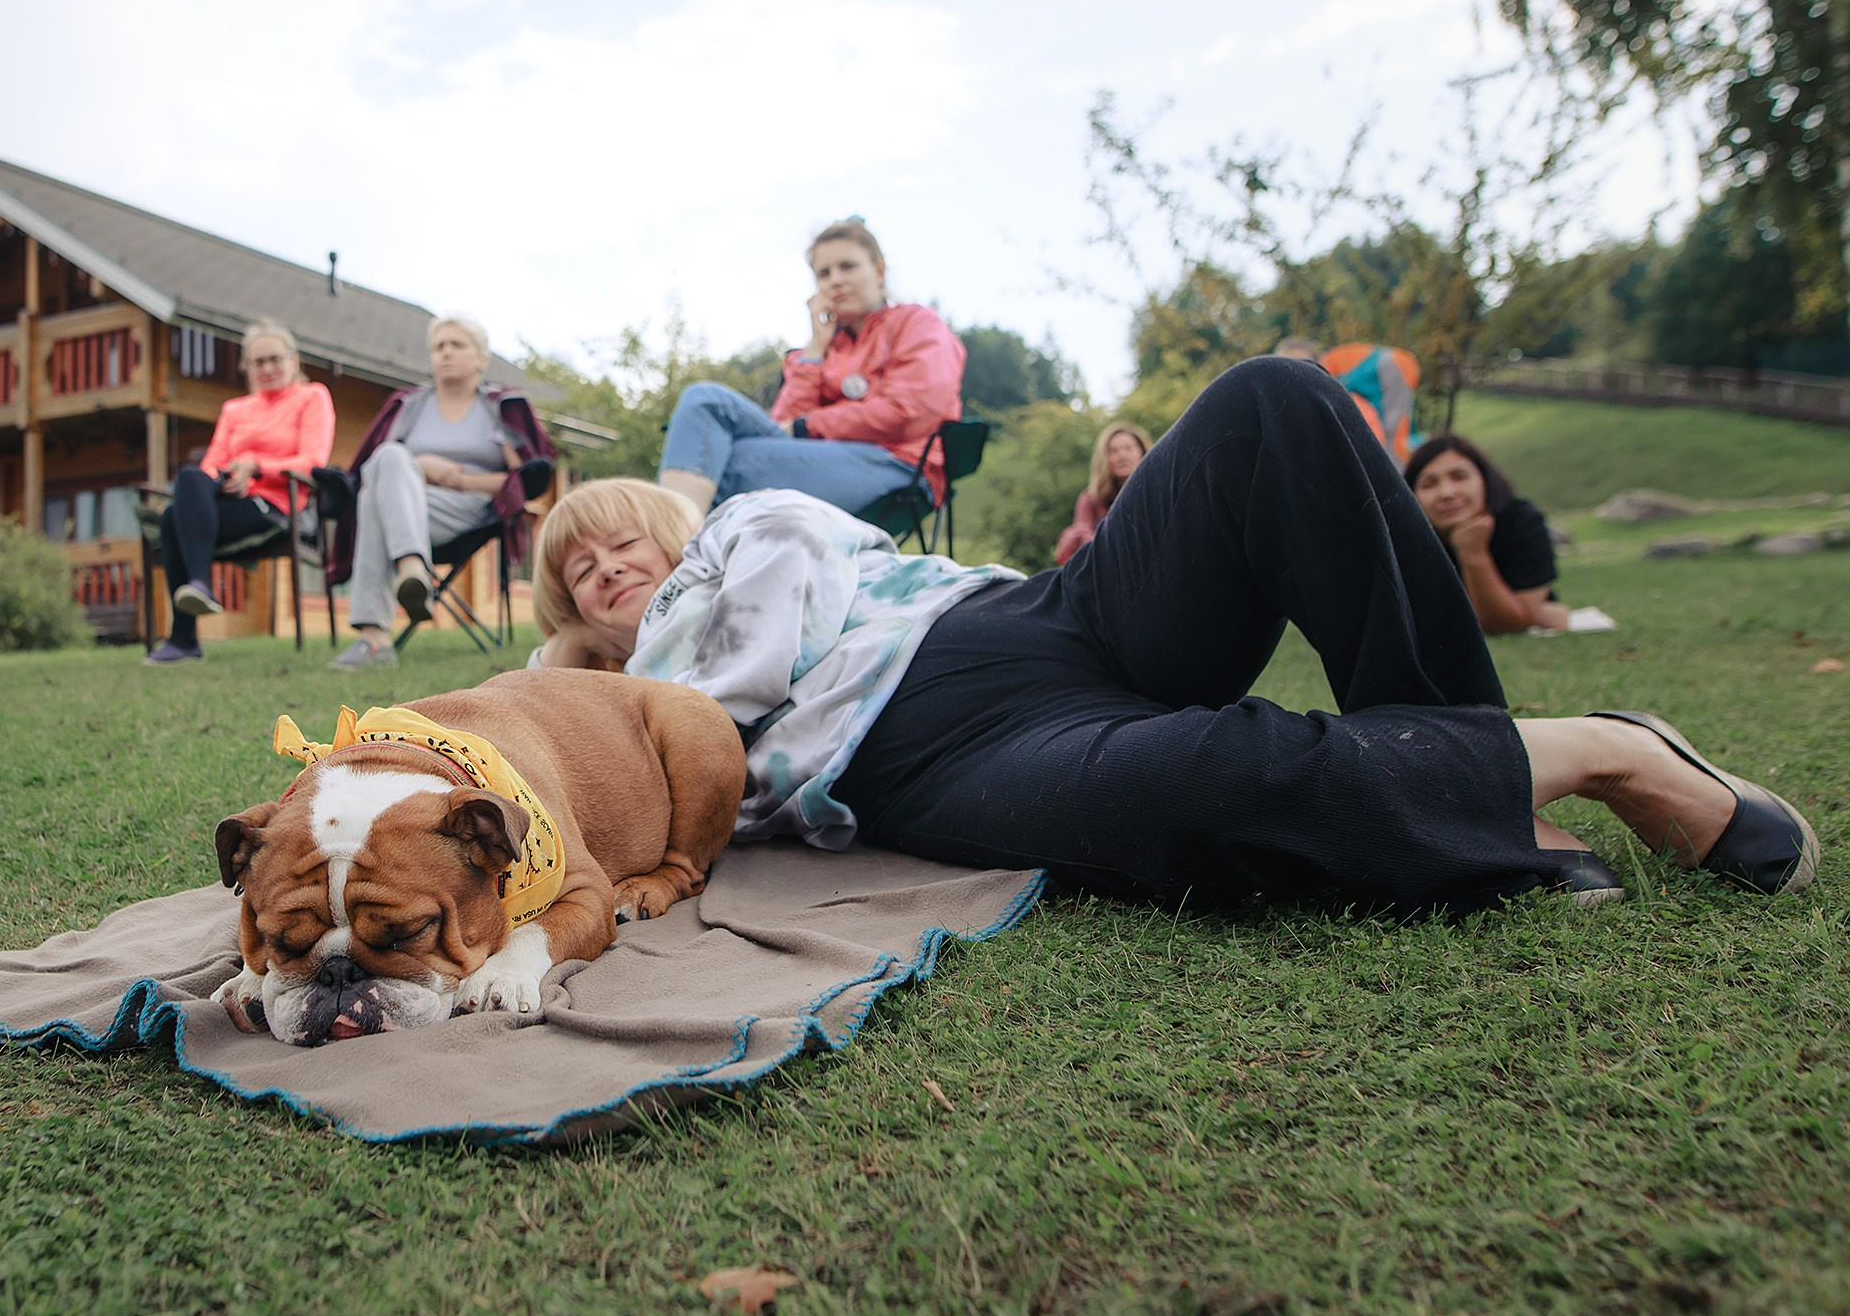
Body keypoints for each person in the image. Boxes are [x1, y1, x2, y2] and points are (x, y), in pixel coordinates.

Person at [530, 357, 1818, 914]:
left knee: (1272, 402)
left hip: (1044, 615)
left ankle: (1467, 760)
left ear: (665, 516)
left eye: (615, 539)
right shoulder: (616, 703)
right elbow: (591, 773)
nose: (603, 571)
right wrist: (569, 679)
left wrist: (621, 676)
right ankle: (1599, 753)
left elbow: (732, 686)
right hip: (933, 759)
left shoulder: (749, 531)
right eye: (574, 574)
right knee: (1191, 789)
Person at [654, 218, 963, 520]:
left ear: (879, 271)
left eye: (848, 266)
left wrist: (808, 425)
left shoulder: (918, 324)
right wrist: (816, 348)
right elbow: (782, 425)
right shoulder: (822, 349)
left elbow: (909, 412)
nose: (835, 280)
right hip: (821, 459)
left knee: (724, 461)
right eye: (824, 273)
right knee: (704, 399)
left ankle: (673, 550)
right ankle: (676, 544)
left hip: (900, 463)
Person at [325, 316, 556, 668]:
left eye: (457, 345)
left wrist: (458, 479)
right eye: (439, 347)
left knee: (374, 495)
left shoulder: (498, 408)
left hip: (471, 510)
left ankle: (374, 637)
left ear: (481, 359)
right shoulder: (409, 407)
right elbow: (374, 471)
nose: (446, 353)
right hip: (409, 507)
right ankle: (412, 565)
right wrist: (421, 466)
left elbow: (521, 481)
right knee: (385, 464)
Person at [147, 320, 334, 664]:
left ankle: (185, 636)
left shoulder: (313, 397)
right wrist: (230, 476)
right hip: (230, 497)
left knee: (174, 518)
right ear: (246, 367)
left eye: (275, 359)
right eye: (258, 362)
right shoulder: (235, 409)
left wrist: (256, 465)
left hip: (275, 504)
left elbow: (313, 461)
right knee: (188, 482)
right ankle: (199, 588)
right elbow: (213, 462)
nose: (267, 368)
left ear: (294, 361)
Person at [1404, 435, 1568, 635]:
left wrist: (1473, 552)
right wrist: (1536, 615)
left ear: (1485, 480)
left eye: (1459, 476)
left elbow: (1509, 625)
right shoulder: (1404, 539)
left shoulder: (1521, 522)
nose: (1446, 492)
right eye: (1429, 484)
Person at [1052, 421, 1150, 564]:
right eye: (1113, 450)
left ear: (1142, 452)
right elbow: (1082, 531)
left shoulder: (1155, 492)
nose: (1122, 455)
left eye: (1128, 448)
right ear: (1104, 458)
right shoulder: (1091, 497)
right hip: (1106, 564)